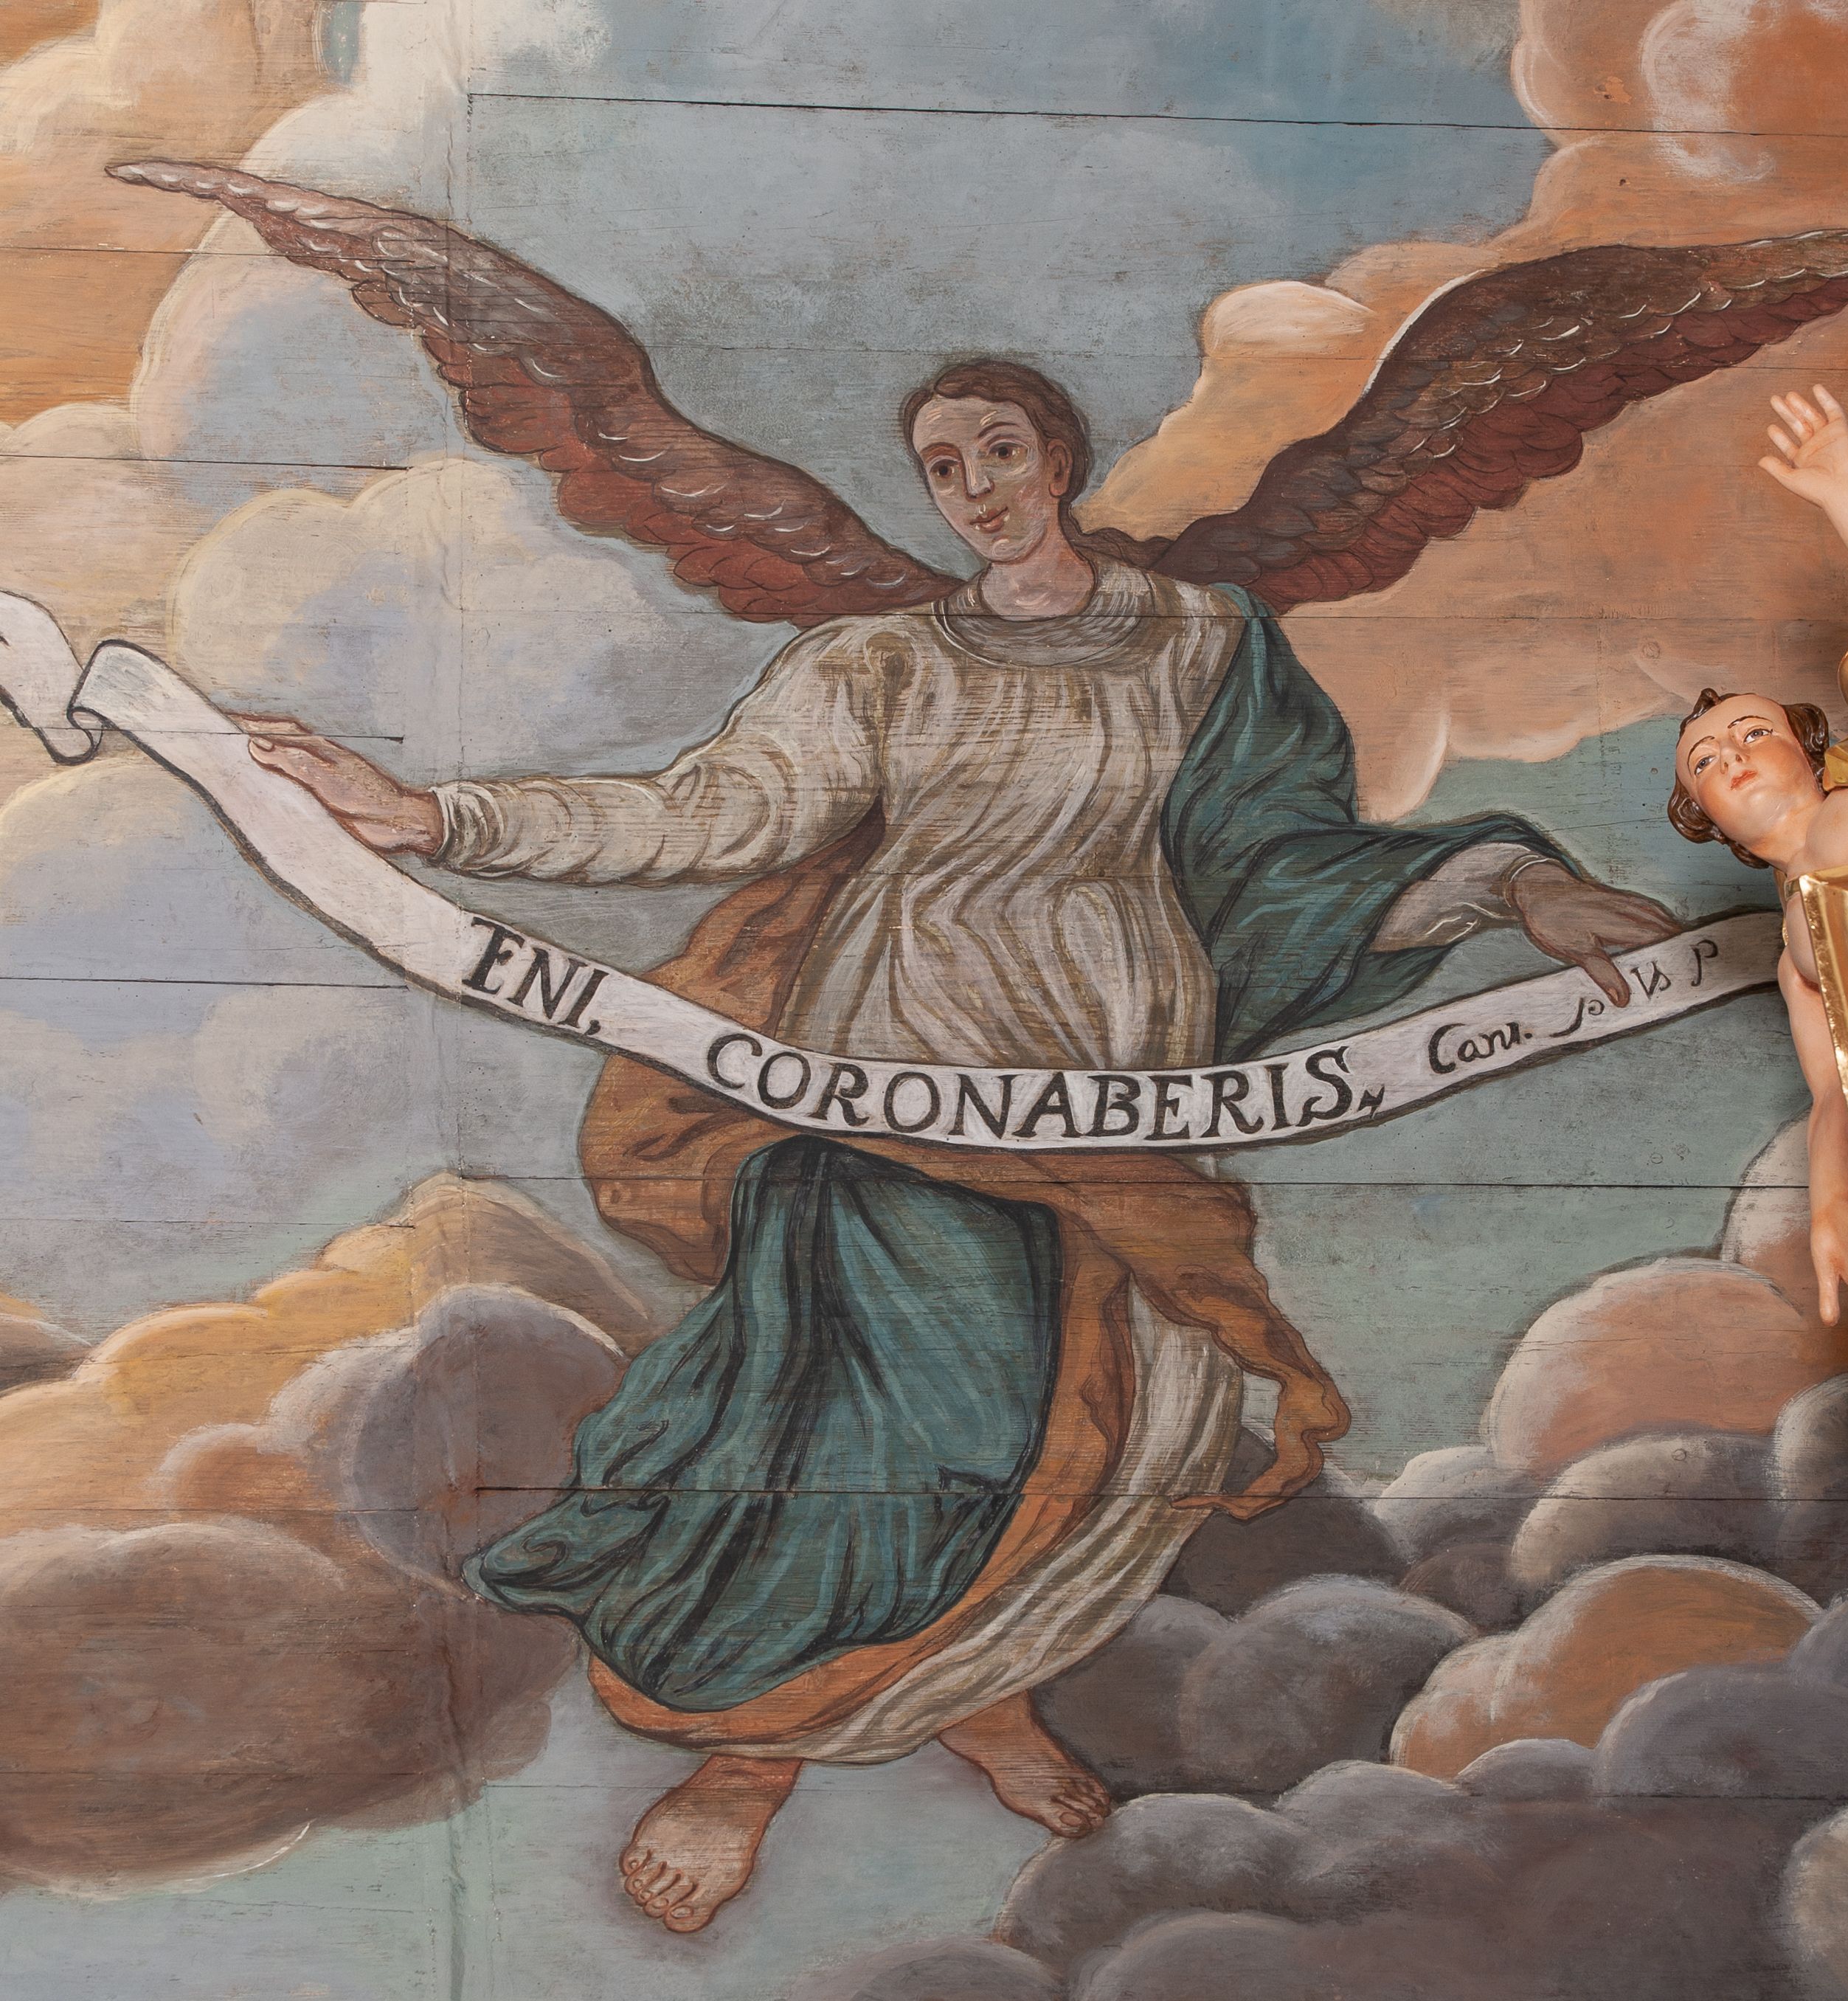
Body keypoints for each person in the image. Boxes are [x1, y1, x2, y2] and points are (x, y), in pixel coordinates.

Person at [239, 359, 1678, 1932]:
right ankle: (753, 1760)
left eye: (1001, 450)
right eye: (943, 465)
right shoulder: (878, 664)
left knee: (1088, 1430)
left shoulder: (1202, 646)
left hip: (1109, 1086)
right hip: (888, 1082)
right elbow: (705, 811)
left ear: (1059, 457)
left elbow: (1288, 859)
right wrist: (437, 819)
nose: (976, 487)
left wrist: (1516, 890)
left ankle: (973, 1690)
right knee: (867, 1432)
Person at [1668, 384, 1848, 1347]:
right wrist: (1831, 1204)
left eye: (1752, 732)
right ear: (1707, 818)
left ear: (1808, 750)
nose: (1731, 756)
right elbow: (1837, 1095)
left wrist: (1843, 490)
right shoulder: (1795, 955)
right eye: (1705, 762)